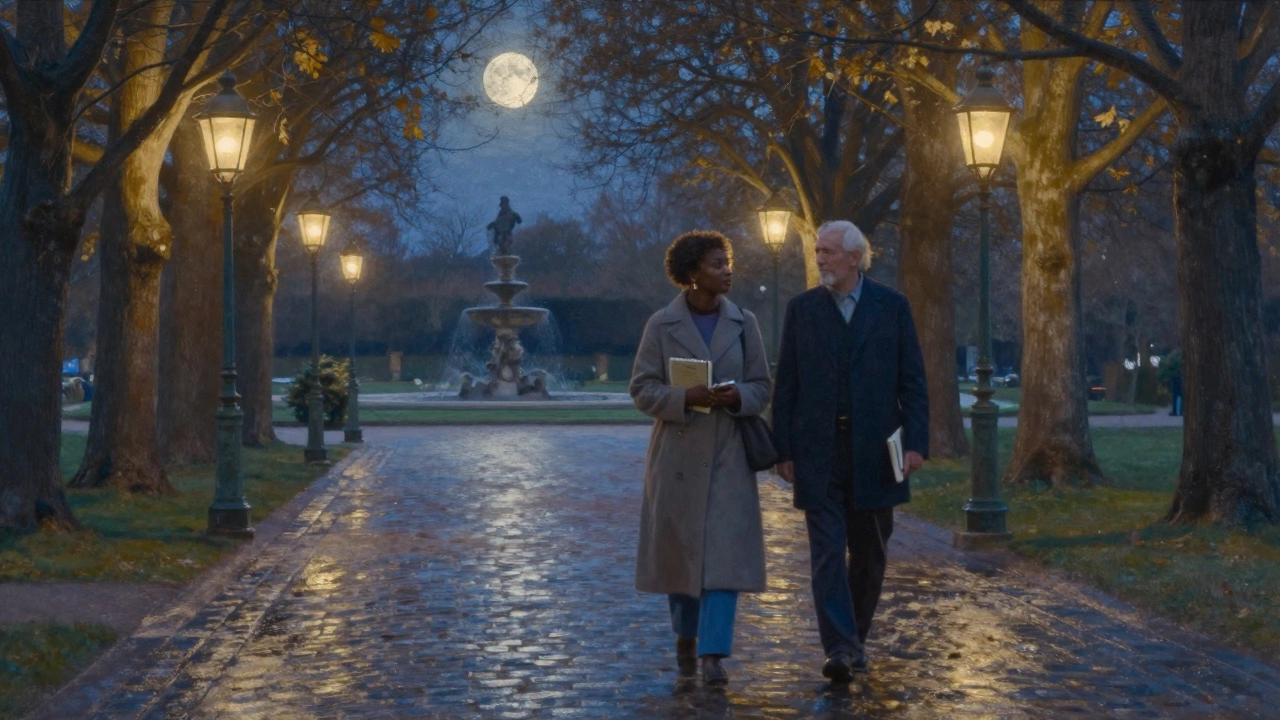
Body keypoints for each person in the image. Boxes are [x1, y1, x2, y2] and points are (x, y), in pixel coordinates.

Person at [771, 220, 929, 683]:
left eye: (828, 252)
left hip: (877, 454)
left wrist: (916, 443)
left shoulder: (892, 308)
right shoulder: (802, 310)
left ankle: (854, 638)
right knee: (825, 554)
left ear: (855, 258)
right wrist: (784, 448)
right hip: (818, 453)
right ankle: (840, 648)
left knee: (870, 554)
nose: (819, 259)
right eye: (817, 251)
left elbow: (913, 382)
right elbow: (788, 387)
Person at [629, 230, 773, 687]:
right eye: (717, 263)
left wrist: (738, 396)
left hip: (730, 452)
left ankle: (714, 655)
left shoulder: (744, 321)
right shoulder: (661, 325)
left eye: (728, 261)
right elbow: (641, 389)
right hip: (678, 456)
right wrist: (683, 397)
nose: (727, 270)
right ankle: (686, 641)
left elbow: (762, 385)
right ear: (692, 273)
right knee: (682, 556)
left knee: (724, 558)